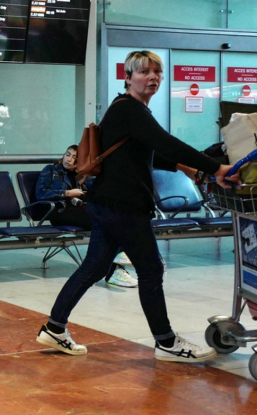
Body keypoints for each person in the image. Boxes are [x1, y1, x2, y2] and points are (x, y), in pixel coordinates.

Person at [36, 50, 238, 363]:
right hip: (123, 205)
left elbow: (151, 154)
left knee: (96, 266)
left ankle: (54, 326)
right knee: (151, 268)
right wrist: (216, 168)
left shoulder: (130, 110)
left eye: (157, 72)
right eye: (144, 72)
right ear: (128, 78)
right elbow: (165, 142)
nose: (153, 78)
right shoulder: (129, 109)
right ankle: (167, 342)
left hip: (108, 203)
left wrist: (194, 170)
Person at [36, 145, 138, 288]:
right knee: (105, 221)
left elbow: (98, 193)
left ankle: (115, 269)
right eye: (67, 154)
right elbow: (40, 194)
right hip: (59, 210)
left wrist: (87, 179)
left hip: (81, 210)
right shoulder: (50, 170)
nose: (69, 159)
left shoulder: (83, 175)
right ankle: (116, 266)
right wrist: (67, 193)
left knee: (109, 221)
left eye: (74, 158)